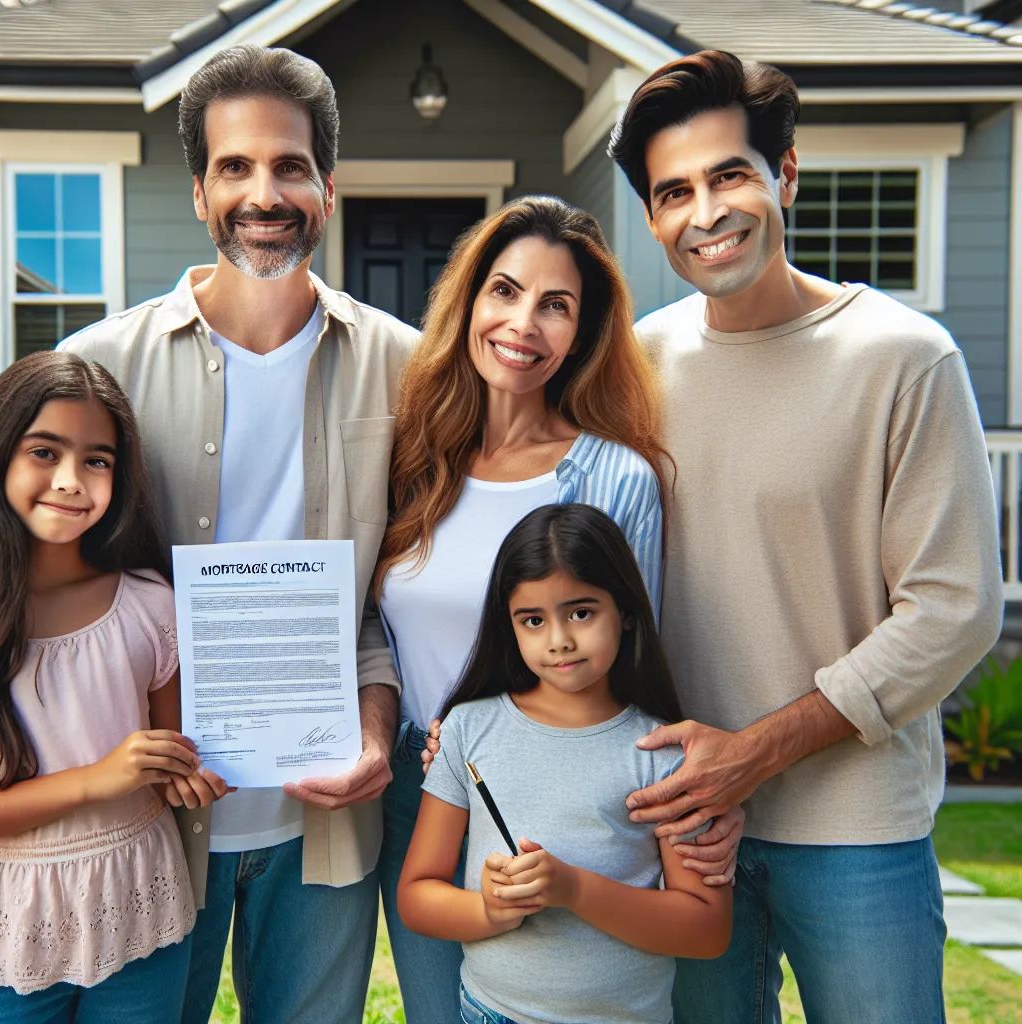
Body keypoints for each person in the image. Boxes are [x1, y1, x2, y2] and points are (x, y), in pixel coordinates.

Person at [606, 50, 1004, 1023]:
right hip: (688, 824)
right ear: (652, 217)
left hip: (854, 827)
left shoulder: (903, 358)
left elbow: (954, 607)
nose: (706, 212)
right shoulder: (636, 365)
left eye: (729, 174)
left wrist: (754, 750)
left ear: (783, 176)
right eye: (673, 192)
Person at [61, 45, 417, 1023]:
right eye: (236, 167)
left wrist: (378, 730)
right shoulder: (96, 371)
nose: (266, 192)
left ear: (329, 186)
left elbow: (399, 596)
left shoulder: (406, 368)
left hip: (320, 823)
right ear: (199, 190)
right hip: (146, 820)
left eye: (290, 166)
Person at [376, 195, 744, 1021]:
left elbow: (633, 660)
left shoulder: (616, 477)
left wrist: (693, 800)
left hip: (566, 785)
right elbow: (377, 626)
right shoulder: (412, 461)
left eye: (556, 305)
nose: (524, 323)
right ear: (470, 302)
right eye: (504, 292)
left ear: (582, 332)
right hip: (423, 783)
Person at [399, 503, 733, 1024]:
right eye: (532, 620)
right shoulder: (467, 731)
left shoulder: (663, 753)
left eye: (581, 612)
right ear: (509, 626)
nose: (558, 639)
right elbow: (417, 896)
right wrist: (489, 909)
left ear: (623, 610)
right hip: (491, 1013)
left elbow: (707, 931)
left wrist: (575, 890)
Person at [0, 351, 229, 1022]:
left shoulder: (149, 603)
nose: (72, 481)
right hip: (16, 923)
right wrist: (106, 776)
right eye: (45, 451)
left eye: (97, 460)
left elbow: (170, 753)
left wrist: (185, 775)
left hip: (142, 902)